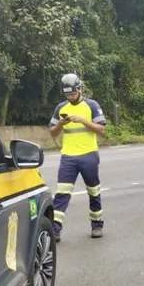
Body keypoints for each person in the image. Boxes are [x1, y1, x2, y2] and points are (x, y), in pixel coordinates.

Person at [48, 74, 107, 240]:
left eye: (73, 94)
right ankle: (55, 229)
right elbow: (52, 133)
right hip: (68, 156)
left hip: (89, 155)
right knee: (62, 192)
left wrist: (83, 120)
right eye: (67, 95)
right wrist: (61, 124)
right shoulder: (61, 108)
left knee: (93, 191)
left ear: (80, 89)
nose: (70, 97)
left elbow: (101, 130)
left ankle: (96, 225)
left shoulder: (92, 105)